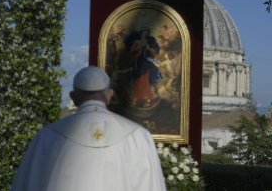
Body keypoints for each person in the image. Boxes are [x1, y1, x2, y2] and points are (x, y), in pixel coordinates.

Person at [10, 66, 167, 191]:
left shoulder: (47, 136)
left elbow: (29, 184)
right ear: (109, 95)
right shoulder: (138, 136)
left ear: (73, 97)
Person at [124, 26, 161, 107]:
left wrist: (148, 47)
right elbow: (131, 52)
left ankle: (148, 96)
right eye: (144, 32)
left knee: (145, 79)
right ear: (142, 33)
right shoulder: (137, 41)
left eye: (146, 33)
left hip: (145, 63)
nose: (145, 34)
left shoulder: (148, 42)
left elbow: (154, 53)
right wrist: (138, 47)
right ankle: (139, 98)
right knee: (136, 80)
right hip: (137, 62)